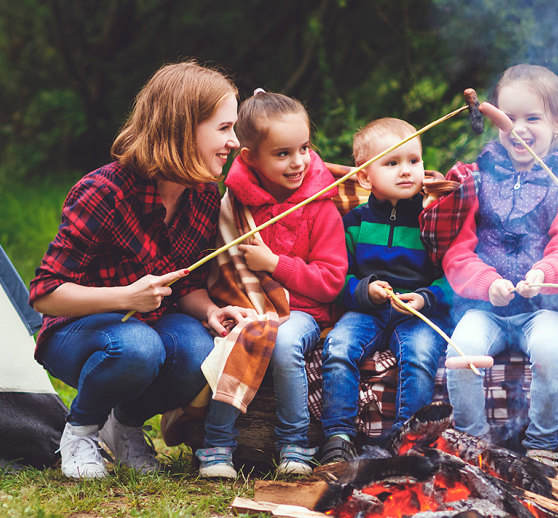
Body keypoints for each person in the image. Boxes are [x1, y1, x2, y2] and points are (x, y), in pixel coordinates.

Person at [29, 61, 254, 479]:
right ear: (184, 127)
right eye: (223, 129)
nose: (234, 142)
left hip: (147, 327)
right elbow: (44, 293)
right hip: (77, 332)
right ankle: (80, 433)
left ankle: (125, 425)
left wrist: (209, 312)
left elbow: (184, 283)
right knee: (137, 347)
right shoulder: (104, 191)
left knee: (199, 349)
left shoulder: (203, 194)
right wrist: (125, 297)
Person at [440, 65, 558, 467]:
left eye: (532, 118)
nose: (518, 128)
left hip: (541, 309)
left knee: (550, 350)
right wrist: (486, 283)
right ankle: (471, 441)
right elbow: (456, 252)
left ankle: (541, 443)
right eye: (509, 118)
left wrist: (544, 276)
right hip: (484, 307)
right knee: (463, 349)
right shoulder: (478, 178)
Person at [197, 90, 347, 478]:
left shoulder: (320, 205)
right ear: (249, 159)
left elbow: (331, 283)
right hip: (250, 303)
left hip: (305, 312)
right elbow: (223, 267)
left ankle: (295, 442)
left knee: (279, 340)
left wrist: (275, 264)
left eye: (304, 148)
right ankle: (216, 444)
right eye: (282, 154)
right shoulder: (236, 205)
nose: (298, 162)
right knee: (241, 336)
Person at [319, 119, 452, 463]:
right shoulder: (355, 222)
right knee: (338, 346)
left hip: (417, 312)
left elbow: (453, 277)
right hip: (368, 309)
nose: (406, 171)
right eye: (392, 163)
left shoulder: (432, 220)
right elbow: (337, 279)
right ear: (365, 177)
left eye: (413, 161)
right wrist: (365, 291)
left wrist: (425, 298)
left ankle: (406, 442)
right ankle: (337, 436)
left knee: (421, 353)